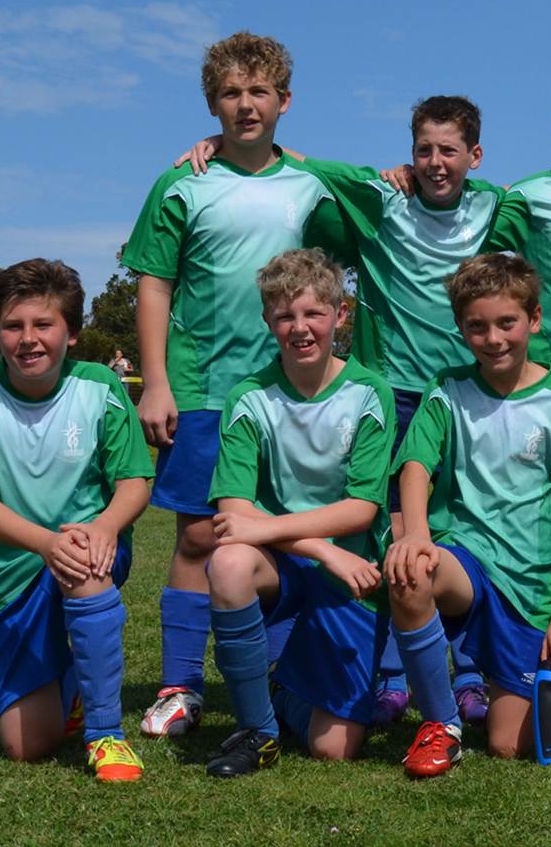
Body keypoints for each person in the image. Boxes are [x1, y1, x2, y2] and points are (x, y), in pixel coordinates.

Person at [175, 96, 499, 726]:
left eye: (449, 151)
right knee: (400, 530)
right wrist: (225, 146)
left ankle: (467, 673)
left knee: (458, 526)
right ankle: (389, 675)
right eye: (424, 150)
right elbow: (304, 165)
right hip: (398, 384)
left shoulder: (497, 204)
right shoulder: (383, 196)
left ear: (475, 156)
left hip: (465, 388)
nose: (435, 162)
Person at [383, 75, 551, 711]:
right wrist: (410, 173)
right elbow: (477, 234)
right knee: (488, 508)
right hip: (539, 373)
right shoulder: (528, 194)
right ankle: (455, 670)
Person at [125, 32, 338, 738]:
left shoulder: (311, 185)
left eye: (258, 92)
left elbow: (367, 232)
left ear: (284, 100)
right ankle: (180, 687)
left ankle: (276, 680)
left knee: (272, 534)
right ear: (211, 103)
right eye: (230, 93)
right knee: (197, 537)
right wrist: (156, 382)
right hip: (202, 388)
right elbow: (154, 283)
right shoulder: (181, 182)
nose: (245, 105)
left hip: (287, 393)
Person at [0, 259, 153, 781]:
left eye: (43, 324)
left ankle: (106, 735)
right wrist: (45, 544)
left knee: (82, 560)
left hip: (88, 546)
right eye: (13, 326)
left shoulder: (99, 385)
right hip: (14, 572)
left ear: (71, 333)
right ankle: (72, 688)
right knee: (25, 745)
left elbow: (134, 482)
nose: (28, 339)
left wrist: (104, 527)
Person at [383, 253, 551, 777]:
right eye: (477, 326)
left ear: (534, 319)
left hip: (528, 586)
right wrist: (417, 535)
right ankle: (441, 723)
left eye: (507, 323)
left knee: (507, 744)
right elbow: (415, 466)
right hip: (466, 560)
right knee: (411, 572)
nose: (493, 338)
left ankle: (529, 683)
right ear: (461, 327)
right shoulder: (447, 389)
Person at [201, 249, 396, 777]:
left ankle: (278, 689)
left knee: (335, 748)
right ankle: (257, 731)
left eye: (313, 313)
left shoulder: (369, 393)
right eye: (285, 315)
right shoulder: (249, 398)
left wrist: (306, 543)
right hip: (287, 563)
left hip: (355, 570)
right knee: (229, 563)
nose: (300, 327)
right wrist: (320, 551)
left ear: (340, 315)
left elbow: (361, 510)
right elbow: (233, 514)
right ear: (268, 320)